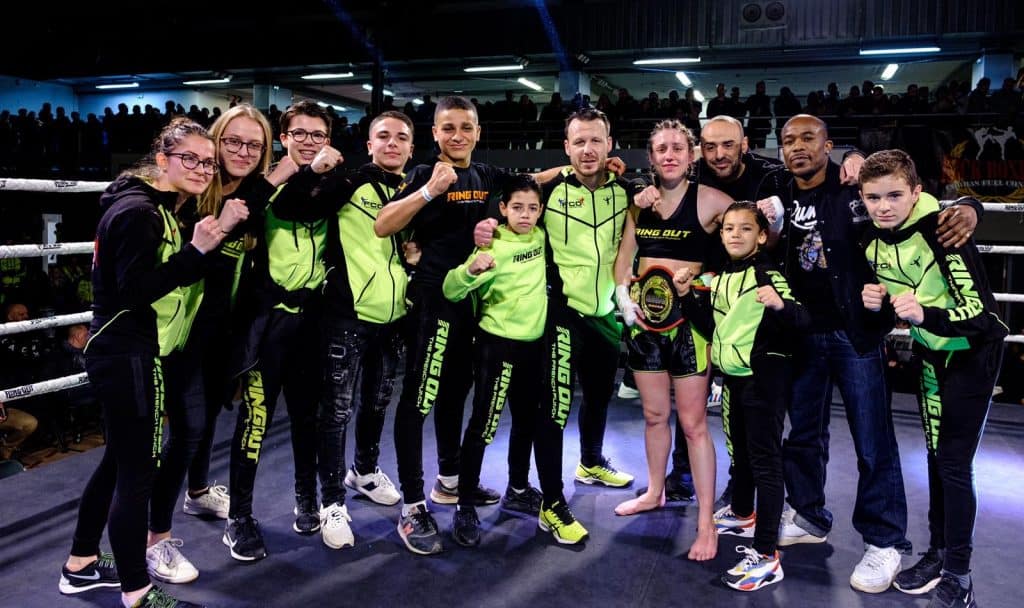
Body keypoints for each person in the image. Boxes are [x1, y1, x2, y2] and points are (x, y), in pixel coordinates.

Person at [772, 115, 981, 594]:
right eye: (788, 140)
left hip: (856, 334)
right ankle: (808, 513)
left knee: (873, 440)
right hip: (803, 332)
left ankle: (885, 541)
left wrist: (970, 206)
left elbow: (917, 203)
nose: (797, 147)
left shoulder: (856, 188)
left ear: (829, 144)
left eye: (808, 138)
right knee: (802, 433)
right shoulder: (778, 187)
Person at [374, 96, 567, 555]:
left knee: (456, 391)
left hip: (471, 306)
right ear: (435, 134)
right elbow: (384, 225)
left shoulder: (486, 175)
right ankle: (413, 507)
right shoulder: (423, 175)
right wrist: (428, 193)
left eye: (465, 127)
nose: (457, 135)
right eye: (448, 128)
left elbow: (533, 181)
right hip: (434, 302)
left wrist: (583, 165)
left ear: (478, 132)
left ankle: (449, 480)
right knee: (419, 397)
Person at [60, 118, 234, 608]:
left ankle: (79, 565)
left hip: (121, 349)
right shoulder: (140, 212)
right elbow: (135, 290)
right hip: (128, 350)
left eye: (208, 161)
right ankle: (136, 590)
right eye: (191, 159)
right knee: (138, 472)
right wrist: (198, 249)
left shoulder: (144, 205)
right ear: (162, 160)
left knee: (119, 462)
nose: (202, 169)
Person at [472, 108, 635, 545]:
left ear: (609, 143)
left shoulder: (626, 192)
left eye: (595, 141)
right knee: (555, 409)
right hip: (562, 315)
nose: (587, 150)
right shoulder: (552, 188)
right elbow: (509, 198)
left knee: (600, 397)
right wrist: (488, 222)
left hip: (605, 313)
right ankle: (553, 502)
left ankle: (592, 461)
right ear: (566, 147)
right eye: (578, 142)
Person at [859, 149, 1006, 608]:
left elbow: (982, 315)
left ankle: (960, 576)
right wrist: (878, 304)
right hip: (930, 354)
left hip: (971, 355)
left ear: (917, 192)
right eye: (873, 197)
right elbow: (899, 302)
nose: (884, 206)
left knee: (954, 465)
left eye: (895, 195)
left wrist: (926, 314)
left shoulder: (944, 231)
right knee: (935, 457)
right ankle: (939, 553)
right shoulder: (874, 240)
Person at [145, 104, 272, 582]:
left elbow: (276, 180)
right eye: (233, 141)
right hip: (186, 334)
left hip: (227, 332)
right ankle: (155, 537)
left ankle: (197, 492)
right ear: (215, 143)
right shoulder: (195, 192)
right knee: (187, 431)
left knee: (209, 418)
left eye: (254, 144)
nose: (242, 151)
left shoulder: (255, 195)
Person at [611, 119, 733, 562]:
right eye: (661, 148)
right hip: (646, 326)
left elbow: (752, 239)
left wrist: (703, 278)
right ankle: (655, 491)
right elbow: (623, 262)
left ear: (692, 154)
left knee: (695, 424)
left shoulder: (713, 201)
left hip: (689, 328)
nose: (669, 155)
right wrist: (625, 300)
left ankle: (706, 523)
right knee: (653, 414)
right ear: (651, 156)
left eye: (678, 147)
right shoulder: (639, 204)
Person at [224, 101, 340, 562]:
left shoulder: (334, 183)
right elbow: (275, 212)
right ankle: (239, 515)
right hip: (266, 321)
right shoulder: (261, 187)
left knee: (308, 416)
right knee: (255, 419)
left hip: (311, 320)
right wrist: (299, 173)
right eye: (300, 133)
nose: (309, 140)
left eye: (318, 134)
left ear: (328, 138)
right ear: (284, 136)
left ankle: (306, 497)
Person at [676, 202, 810, 590]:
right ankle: (742, 510)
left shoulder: (766, 273)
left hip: (764, 378)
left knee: (766, 461)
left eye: (745, 229)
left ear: (762, 236)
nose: (735, 234)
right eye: (729, 228)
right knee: (744, 455)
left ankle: (767, 556)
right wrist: (686, 295)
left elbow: (802, 318)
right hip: (735, 377)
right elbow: (709, 326)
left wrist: (780, 304)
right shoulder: (722, 278)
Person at [309, 110, 416, 549]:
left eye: (402, 137)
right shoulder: (348, 183)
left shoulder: (411, 191)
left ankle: (365, 472)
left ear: (411, 147)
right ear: (369, 144)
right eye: (383, 136)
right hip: (347, 315)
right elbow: (305, 206)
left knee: (376, 402)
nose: (393, 143)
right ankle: (331, 501)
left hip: (392, 315)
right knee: (336, 411)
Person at [442, 175, 548, 547]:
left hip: (533, 347)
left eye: (533, 208)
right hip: (496, 346)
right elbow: (451, 289)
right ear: (502, 209)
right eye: (517, 207)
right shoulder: (492, 244)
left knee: (525, 423)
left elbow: (547, 177)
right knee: (483, 427)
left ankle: (518, 488)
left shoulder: (540, 237)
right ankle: (465, 505)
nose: (525, 214)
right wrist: (471, 270)